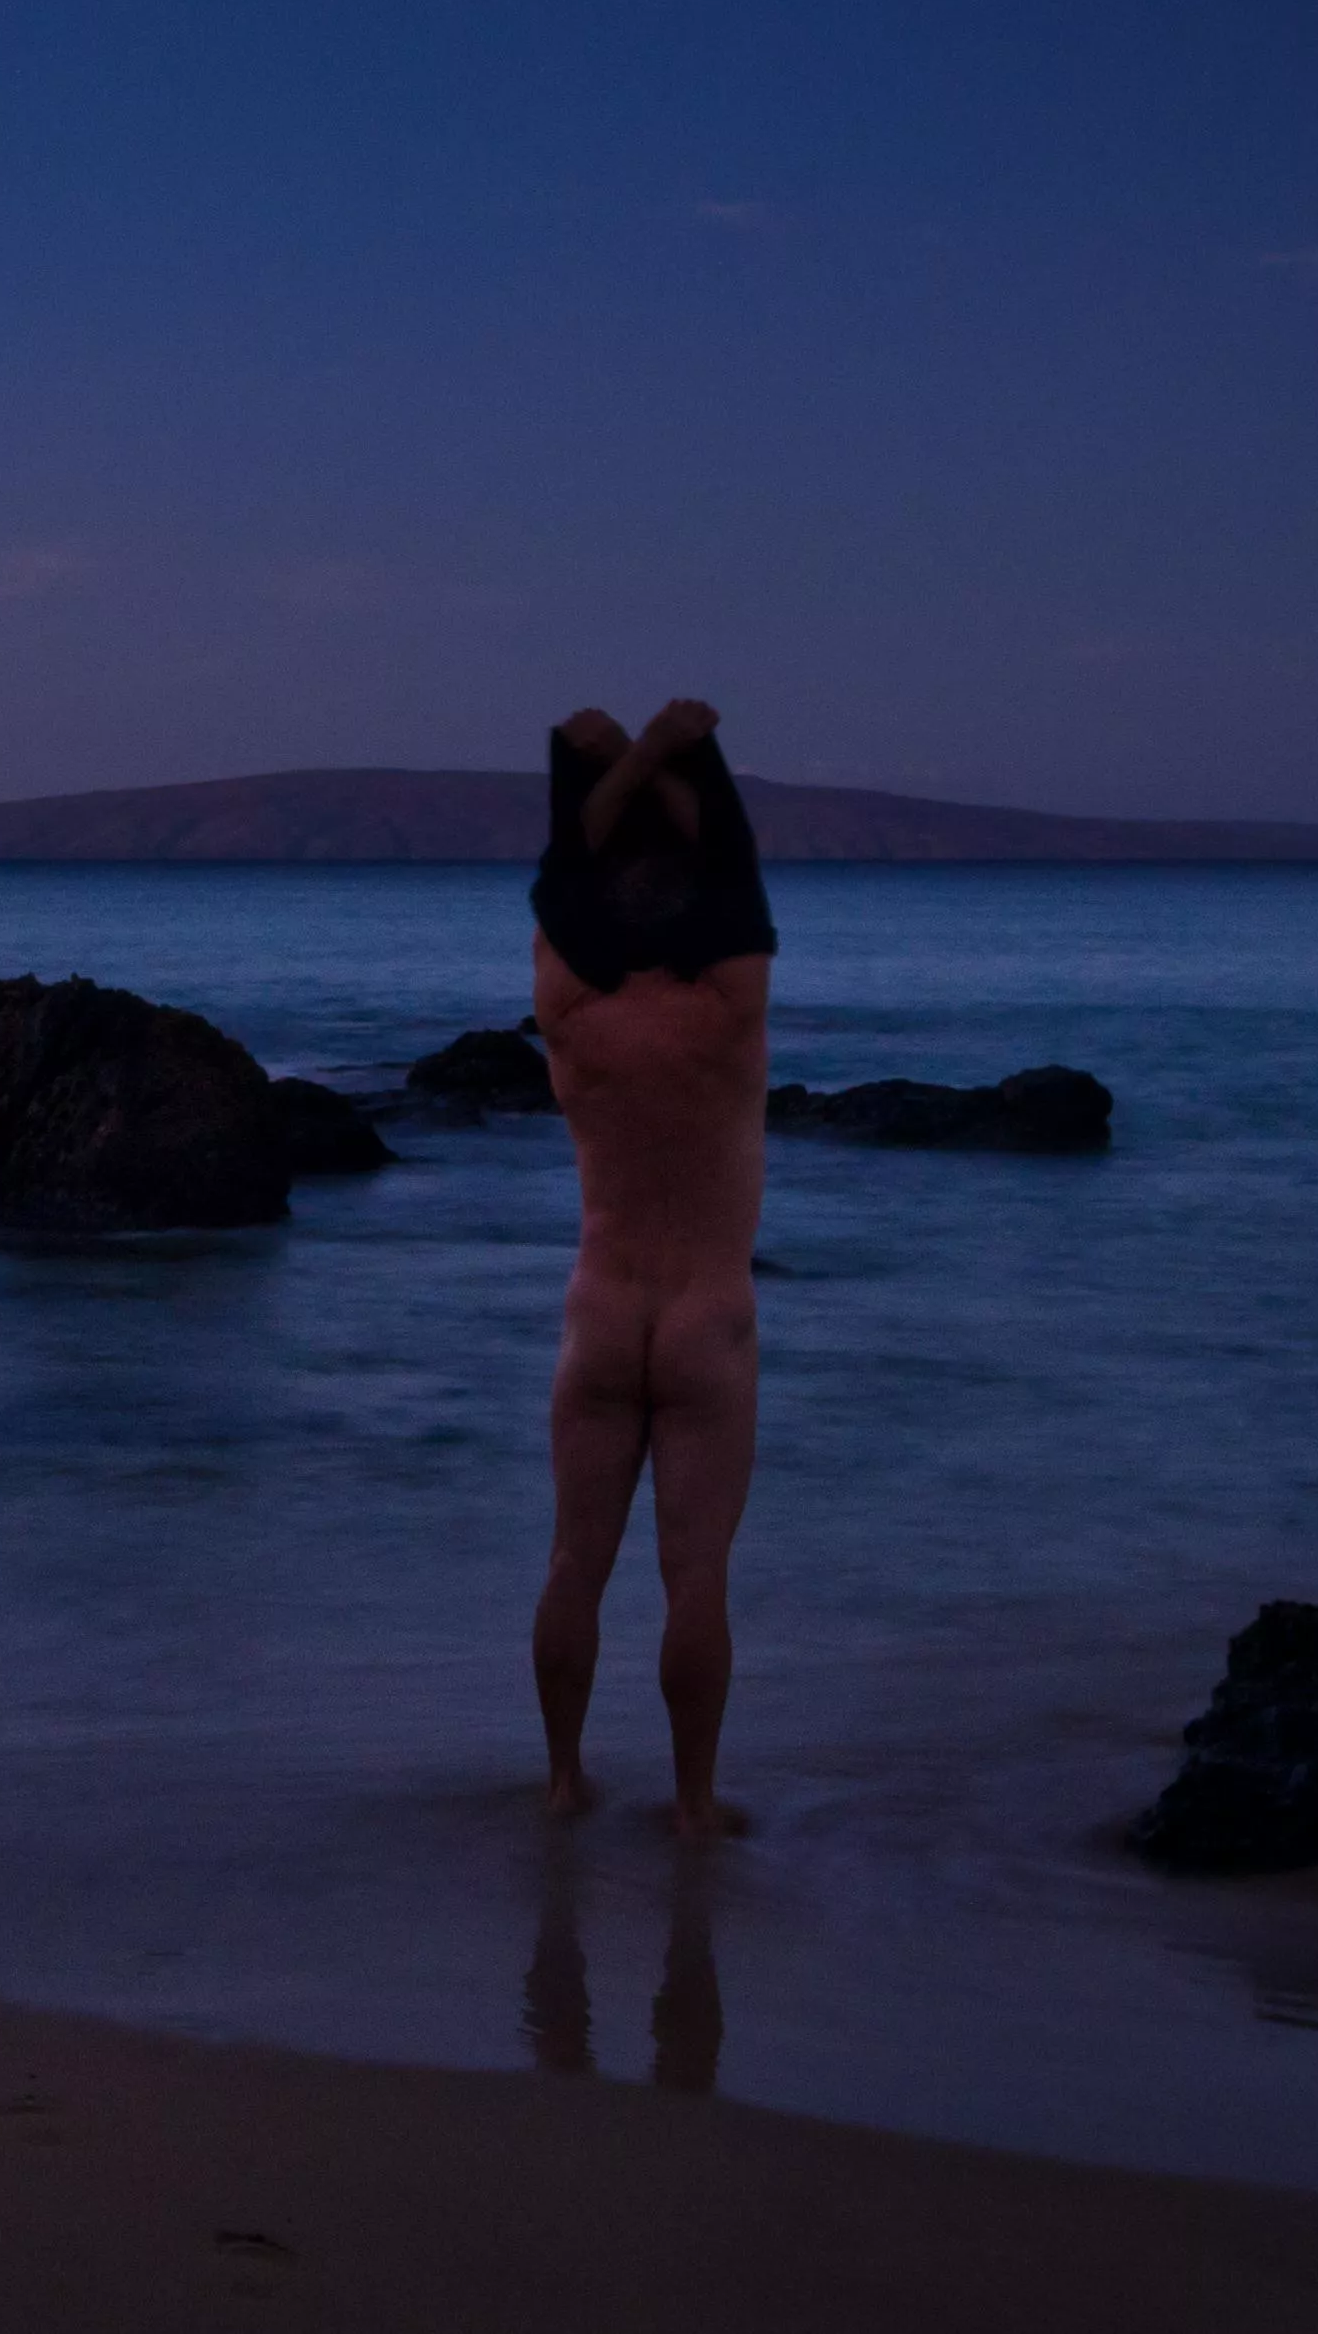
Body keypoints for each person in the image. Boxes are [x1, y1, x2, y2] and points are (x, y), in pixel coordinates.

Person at [525, 698, 774, 1838]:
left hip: (599, 1311)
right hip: (705, 1321)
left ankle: (565, 1777)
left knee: (576, 1559)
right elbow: (727, 861)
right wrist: (672, 754)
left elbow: (566, 874)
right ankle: (689, 1801)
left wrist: (609, 770)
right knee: (695, 1577)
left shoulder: (566, 1004)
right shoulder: (728, 1006)